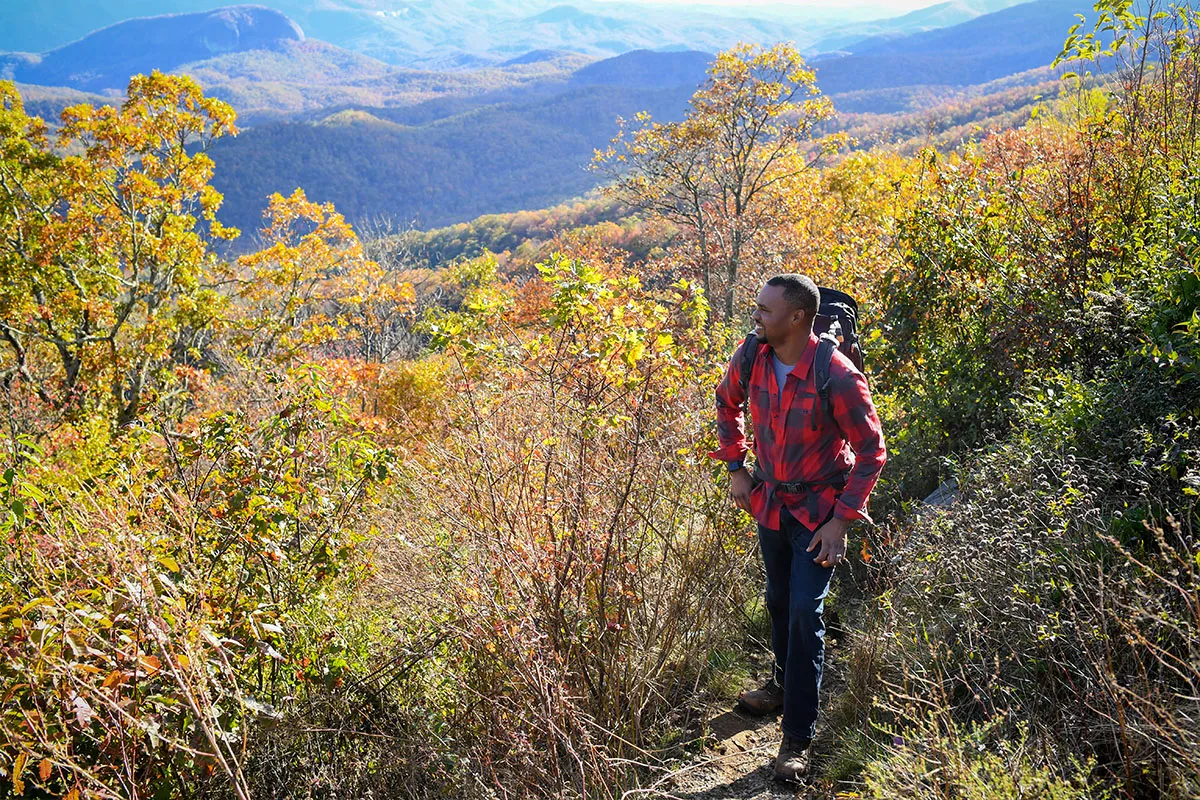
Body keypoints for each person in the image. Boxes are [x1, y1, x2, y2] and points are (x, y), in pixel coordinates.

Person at [708, 274, 886, 782]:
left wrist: (840, 521)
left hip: (818, 511)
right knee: (780, 600)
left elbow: (872, 451)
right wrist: (736, 466)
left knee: (805, 612)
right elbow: (726, 402)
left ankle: (797, 737)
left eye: (766, 310)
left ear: (798, 318)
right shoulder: (752, 356)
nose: (756, 316)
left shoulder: (837, 374)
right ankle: (782, 686)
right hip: (771, 502)